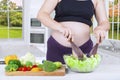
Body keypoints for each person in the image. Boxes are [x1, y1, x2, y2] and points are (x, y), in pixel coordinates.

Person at [37, 0, 110, 64]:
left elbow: (105, 22)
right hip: (57, 48)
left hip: (84, 49)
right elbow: (42, 14)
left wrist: (101, 28)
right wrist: (60, 27)